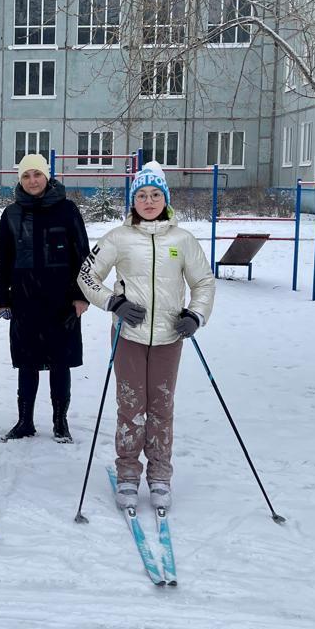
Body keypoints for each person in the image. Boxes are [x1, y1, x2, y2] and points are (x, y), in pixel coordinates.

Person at [77, 161, 215, 512]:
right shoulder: (118, 238)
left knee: (161, 408)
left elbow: (203, 282)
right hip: (129, 336)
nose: (149, 201)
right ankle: (127, 474)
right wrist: (114, 302)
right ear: (133, 201)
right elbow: (86, 276)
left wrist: (196, 315)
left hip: (170, 337)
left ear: (165, 199)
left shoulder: (182, 240)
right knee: (131, 406)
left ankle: (160, 475)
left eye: (155, 195)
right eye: (142, 195)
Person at [0, 153, 90, 443]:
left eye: (37, 174)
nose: (32, 181)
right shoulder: (11, 214)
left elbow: (82, 256)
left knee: (60, 361)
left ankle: (60, 422)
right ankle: (25, 421)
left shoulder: (67, 209)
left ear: (47, 177)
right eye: (26, 176)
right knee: (27, 362)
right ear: (20, 180)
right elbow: (2, 259)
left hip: (62, 300)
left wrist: (81, 296)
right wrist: (2, 298)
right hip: (25, 301)